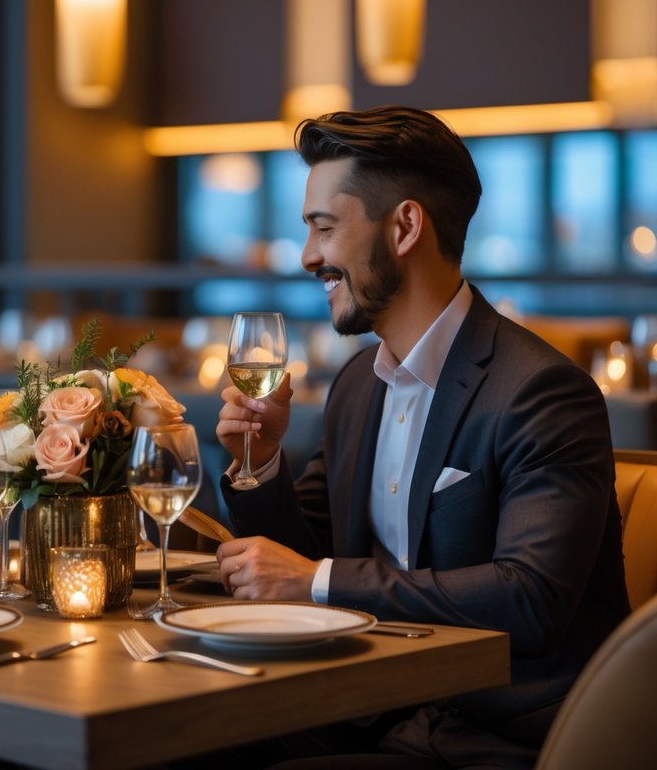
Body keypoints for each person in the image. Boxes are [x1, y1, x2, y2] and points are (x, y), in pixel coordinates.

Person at [214, 107, 629, 769]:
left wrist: (317, 581)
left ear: (405, 226)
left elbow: (530, 597)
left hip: (494, 739)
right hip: (367, 707)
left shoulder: (541, 391)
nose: (308, 256)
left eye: (324, 227)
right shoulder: (357, 385)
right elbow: (304, 561)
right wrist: (260, 464)